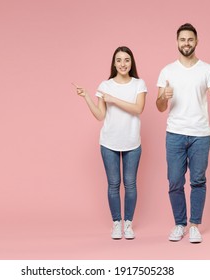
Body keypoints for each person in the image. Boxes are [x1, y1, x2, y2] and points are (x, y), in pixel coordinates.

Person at [156, 23, 210, 243]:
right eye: (182, 39)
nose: (186, 43)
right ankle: (179, 224)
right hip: (174, 133)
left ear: (196, 41)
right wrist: (163, 97)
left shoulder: (208, 70)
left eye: (190, 39)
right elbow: (159, 107)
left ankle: (194, 225)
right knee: (175, 181)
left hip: (200, 134)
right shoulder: (167, 71)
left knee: (198, 180)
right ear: (177, 42)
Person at [73, 46, 147, 240]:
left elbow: (138, 108)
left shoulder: (139, 84)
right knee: (113, 184)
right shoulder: (105, 86)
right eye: (119, 60)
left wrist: (113, 99)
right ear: (114, 63)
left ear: (132, 63)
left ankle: (128, 223)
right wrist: (87, 97)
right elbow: (100, 116)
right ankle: (116, 223)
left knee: (130, 184)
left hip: (132, 142)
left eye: (127, 60)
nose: (123, 64)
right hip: (109, 142)